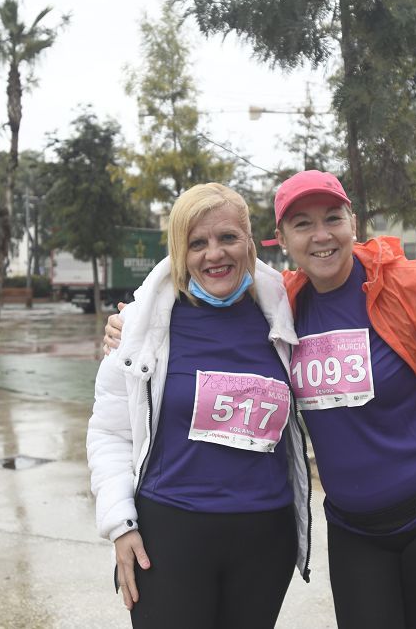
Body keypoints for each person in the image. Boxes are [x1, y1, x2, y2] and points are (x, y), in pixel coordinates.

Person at [106, 170, 416, 628]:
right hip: (355, 528)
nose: (321, 235)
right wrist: (137, 317)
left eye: (332, 218)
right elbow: (203, 284)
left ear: (353, 223)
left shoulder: (406, 284)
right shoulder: (284, 304)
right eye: (303, 224)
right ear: (281, 239)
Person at [87, 183, 311, 629]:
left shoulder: (286, 313)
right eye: (197, 243)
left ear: (250, 242)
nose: (214, 254)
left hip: (265, 538)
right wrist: (120, 525)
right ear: (178, 250)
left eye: (228, 237)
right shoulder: (140, 327)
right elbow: (110, 431)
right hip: (170, 536)